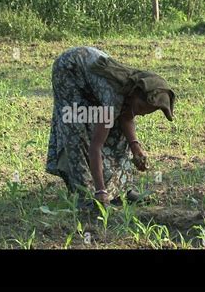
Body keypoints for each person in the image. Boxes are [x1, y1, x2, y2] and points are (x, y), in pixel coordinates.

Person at [46, 46, 175, 208]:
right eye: (141, 108)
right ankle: (87, 196)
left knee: (119, 132)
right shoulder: (114, 97)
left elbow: (126, 116)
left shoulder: (130, 89)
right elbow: (96, 147)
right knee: (77, 130)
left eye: (146, 112)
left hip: (89, 76)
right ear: (135, 94)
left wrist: (136, 147)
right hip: (69, 70)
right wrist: (101, 191)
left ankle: (120, 189)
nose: (141, 114)